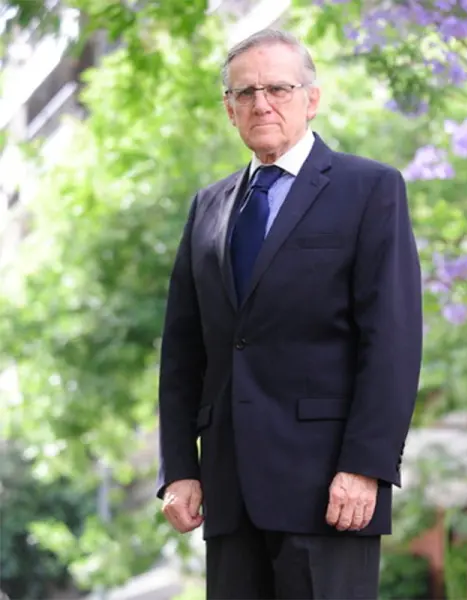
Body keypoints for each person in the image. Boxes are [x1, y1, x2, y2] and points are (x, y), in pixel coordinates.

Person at [155, 28, 423, 599]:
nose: (262, 103)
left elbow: (392, 341)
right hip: (229, 493)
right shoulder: (208, 207)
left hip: (329, 488)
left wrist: (366, 466)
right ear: (229, 110)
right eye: (245, 93)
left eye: (278, 87)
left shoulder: (369, 189)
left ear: (312, 98)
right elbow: (183, 350)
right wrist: (180, 468)